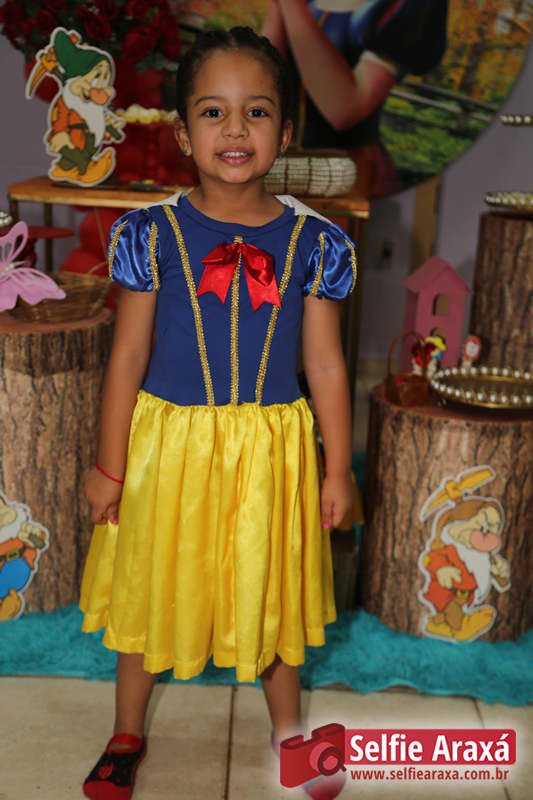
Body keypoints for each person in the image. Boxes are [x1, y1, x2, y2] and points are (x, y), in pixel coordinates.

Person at [80, 26, 355, 800]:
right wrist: (109, 468)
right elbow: (127, 358)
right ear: (182, 133)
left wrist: (337, 468)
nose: (235, 130)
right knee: (149, 586)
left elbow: (325, 364)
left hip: (270, 451)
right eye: (213, 112)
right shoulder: (151, 234)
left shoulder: (315, 241)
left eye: (256, 112)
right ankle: (126, 734)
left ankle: (289, 735)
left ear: (285, 133)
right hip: (169, 449)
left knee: (269, 593)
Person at [263, 0, 448, 197]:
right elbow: (263, 81)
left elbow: (343, 110)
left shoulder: (405, 7)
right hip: (284, 172)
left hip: (347, 175)